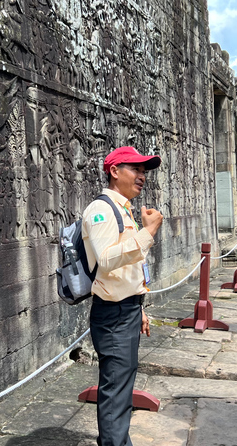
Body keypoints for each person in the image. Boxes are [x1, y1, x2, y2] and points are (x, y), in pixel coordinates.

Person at [82, 146, 163, 446]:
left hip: (126, 309)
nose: (142, 176)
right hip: (113, 315)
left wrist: (138, 305)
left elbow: (124, 270)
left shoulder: (123, 208)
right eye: (136, 169)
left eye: (144, 171)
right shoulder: (101, 209)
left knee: (121, 388)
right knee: (116, 394)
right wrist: (148, 232)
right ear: (114, 171)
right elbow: (106, 259)